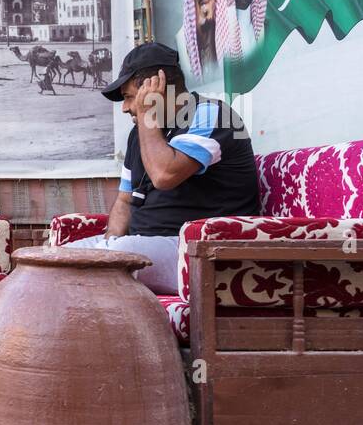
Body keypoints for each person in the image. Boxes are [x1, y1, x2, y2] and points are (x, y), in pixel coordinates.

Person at [66, 42, 260, 293]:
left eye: (128, 97)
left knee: (111, 257)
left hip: (199, 250)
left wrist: (148, 116)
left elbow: (164, 175)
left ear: (156, 88)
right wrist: (107, 242)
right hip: (145, 245)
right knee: (49, 260)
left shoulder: (212, 114)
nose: (125, 108)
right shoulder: (141, 134)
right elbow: (125, 201)